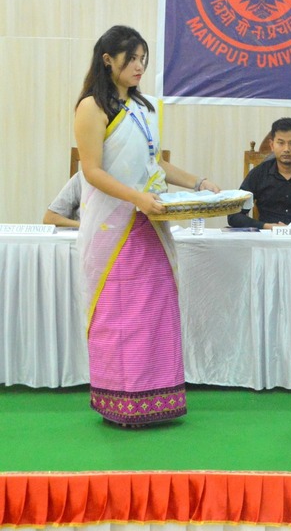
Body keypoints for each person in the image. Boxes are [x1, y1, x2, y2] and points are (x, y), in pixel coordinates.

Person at [74, 25, 220, 427]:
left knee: (155, 311)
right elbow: (92, 171)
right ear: (108, 60)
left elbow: (155, 165)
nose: (140, 66)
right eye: (133, 58)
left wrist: (199, 183)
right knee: (120, 314)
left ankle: (158, 399)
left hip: (150, 227)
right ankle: (120, 403)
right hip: (113, 229)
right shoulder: (92, 107)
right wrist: (136, 198)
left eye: (143, 59)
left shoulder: (144, 108)